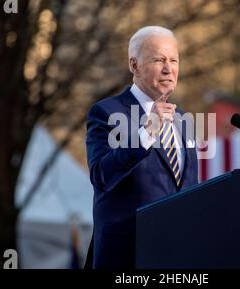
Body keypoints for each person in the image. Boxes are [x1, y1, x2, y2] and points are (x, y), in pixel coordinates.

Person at [85, 26, 198, 269]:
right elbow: (101, 176)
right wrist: (147, 132)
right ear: (134, 65)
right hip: (128, 258)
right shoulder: (106, 112)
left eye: (174, 60)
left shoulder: (183, 119)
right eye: (159, 60)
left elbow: (189, 189)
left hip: (178, 257)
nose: (169, 69)